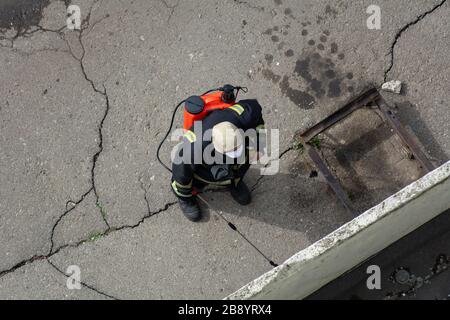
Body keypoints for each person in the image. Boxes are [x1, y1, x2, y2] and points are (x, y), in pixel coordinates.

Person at [171, 99, 265, 222]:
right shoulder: (194, 147)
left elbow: (257, 115)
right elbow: (181, 173)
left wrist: (258, 146)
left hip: (232, 156)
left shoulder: (246, 114)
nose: (236, 154)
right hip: (203, 166)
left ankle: (234, 183)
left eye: (238, 148)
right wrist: (184, 193)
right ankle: (186, 199)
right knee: (195, 179)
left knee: (241, 165)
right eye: (231, 152)